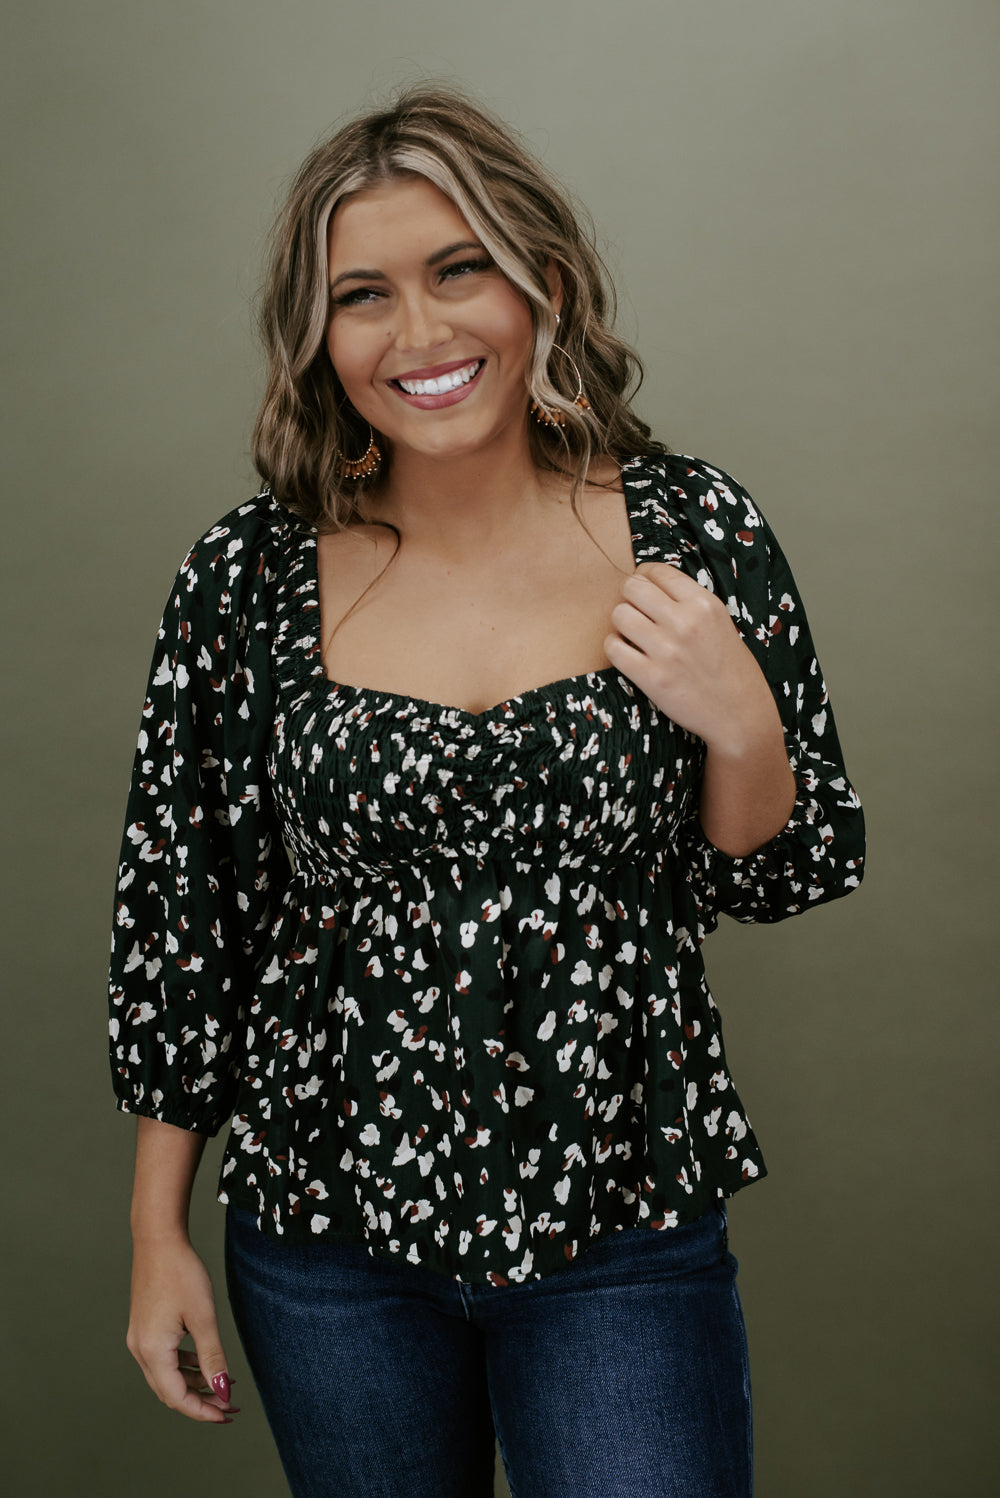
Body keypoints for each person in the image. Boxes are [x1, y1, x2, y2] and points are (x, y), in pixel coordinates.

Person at [109, 85, 865, 1498]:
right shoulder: (247, 577)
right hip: (326, 1240)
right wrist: (159, 1236)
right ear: (317, 335)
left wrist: (743, 720)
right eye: (364, 295)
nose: (420, 333)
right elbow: (188, 921)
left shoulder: (689, 528)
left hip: (619, 1222)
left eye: (459, 270)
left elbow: (778, 867)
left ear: (543, 285)